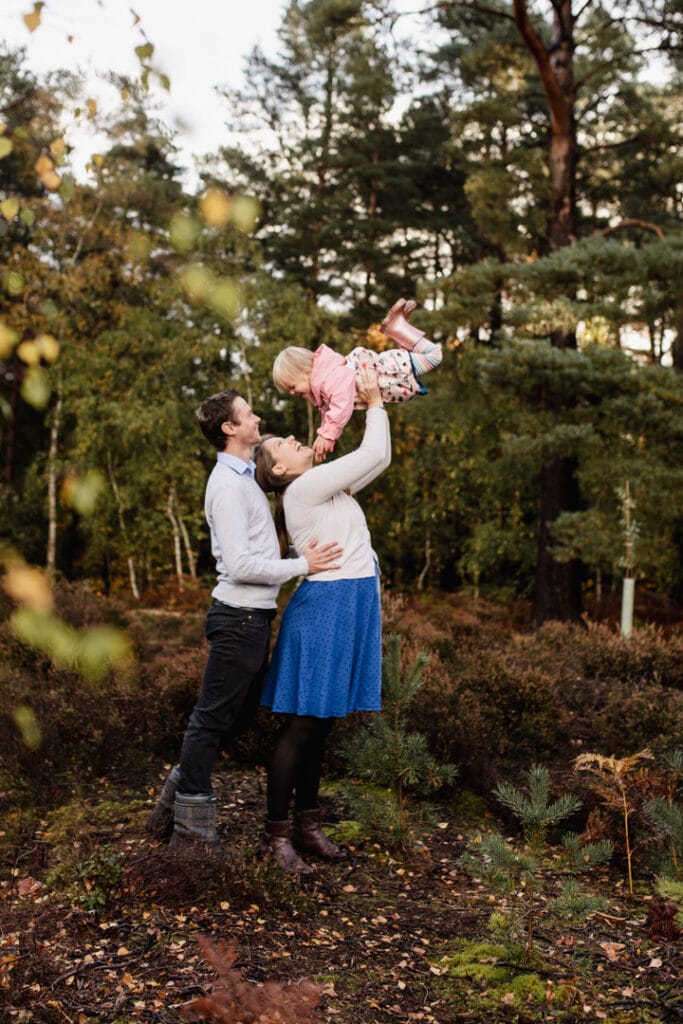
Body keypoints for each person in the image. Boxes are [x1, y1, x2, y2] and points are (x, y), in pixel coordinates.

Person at [145, 389, 343, 851]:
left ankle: (167, 811)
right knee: (210, 722)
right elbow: (240, 565)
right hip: (238, 619)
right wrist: (303, 567)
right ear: (229, 428)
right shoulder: (228, 486)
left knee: (231, 721)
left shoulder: (246, 480)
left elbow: (260, 546)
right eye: (248, 414)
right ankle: (192, 836)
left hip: (254, 620)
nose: (258, 417)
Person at [253, 367, 390, 873]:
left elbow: (382, 458)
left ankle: (308, 827)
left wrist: (377, 408)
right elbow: (372, 451)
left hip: (350, 603)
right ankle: (278, 837)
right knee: (303, 725)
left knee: (322, 724)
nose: (292, 437)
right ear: (281, 471)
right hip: (326, 609)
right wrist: (372, 401)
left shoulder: (324, 488)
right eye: (280, 445)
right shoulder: (303, 492)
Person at [272, 298, 441, 463]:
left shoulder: (328, 379)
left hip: (388, 371)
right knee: (419, 355)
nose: (292, 393)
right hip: (391, 377)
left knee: (434, 355)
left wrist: (326, 434)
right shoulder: (321, 388)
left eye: (292, 387)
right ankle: (400, 328)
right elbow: (331, 413)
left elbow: (341, 401)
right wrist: (328, 439)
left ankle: (398, 328)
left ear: (305, 370)